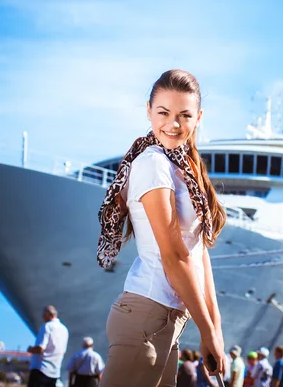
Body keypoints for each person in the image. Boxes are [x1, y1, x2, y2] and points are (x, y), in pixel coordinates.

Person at [96, 69, 227, 387]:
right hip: (145, 316)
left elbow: (198, 254)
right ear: (148, 112)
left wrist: (215, 328)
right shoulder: (153, 163)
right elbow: (174, 255)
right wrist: (207, 333)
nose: (174, 124)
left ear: (198, 118)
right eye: (163, 113)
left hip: (167, 321)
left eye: (185, 115)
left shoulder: (185, 170)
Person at [27, 305, 69, 387]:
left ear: (47, 314)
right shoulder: (64, 329)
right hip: (55, 372)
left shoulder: (47, 326)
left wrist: (30, 349)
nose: (43, 317)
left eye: (43, 315)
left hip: (41, 370)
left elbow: (40, 349)